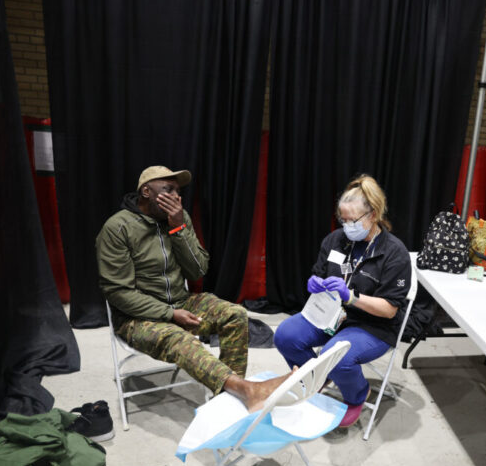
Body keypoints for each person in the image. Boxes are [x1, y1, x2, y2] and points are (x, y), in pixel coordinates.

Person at [96, 165, 290, 411]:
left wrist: (178, 228)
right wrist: (168, 315)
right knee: (177, 338)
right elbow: (118, 292)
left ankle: (231, 396)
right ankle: (246, 390)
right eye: (168, 189)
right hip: (136, 318)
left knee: (235, 314)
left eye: (178, 191)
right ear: (146, 191)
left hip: (181, 301)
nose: (177, 197)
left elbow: (197, 270)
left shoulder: (179, 218)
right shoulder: (118, 228)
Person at [273, 174, 412, 427]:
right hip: (331, 316)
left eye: (353, 219)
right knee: (285, 335)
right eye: (343, 219)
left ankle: (357, 395)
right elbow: (319, 273)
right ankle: (318, 377)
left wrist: (352, 296)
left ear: (373, 215)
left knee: (336, 356)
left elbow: (390, 310)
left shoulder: (394, 253)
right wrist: (313, 283)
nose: (347, 225)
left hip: (373, 326)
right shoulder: (336, 240)